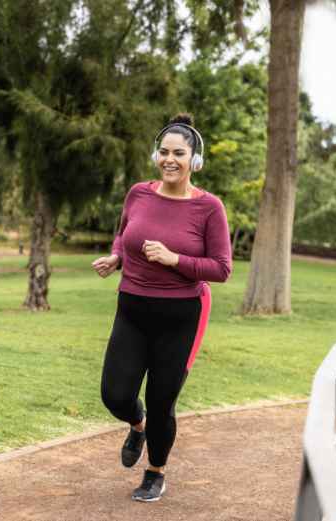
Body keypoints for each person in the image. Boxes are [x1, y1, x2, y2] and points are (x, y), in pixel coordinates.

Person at [92, 113, 232, 502]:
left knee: (162, 401)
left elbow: (221, 269)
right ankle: (136, 425)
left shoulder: (209, 209)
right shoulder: (139, 193)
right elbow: (124, 233)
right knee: (115, 395)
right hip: (132, 308)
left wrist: (175, 260)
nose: (170, 160)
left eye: (180, 153)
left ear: (195, 160)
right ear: (157, 154)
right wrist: (117, 258)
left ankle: (155, 472)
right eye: (165, 152)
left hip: (181, 315)